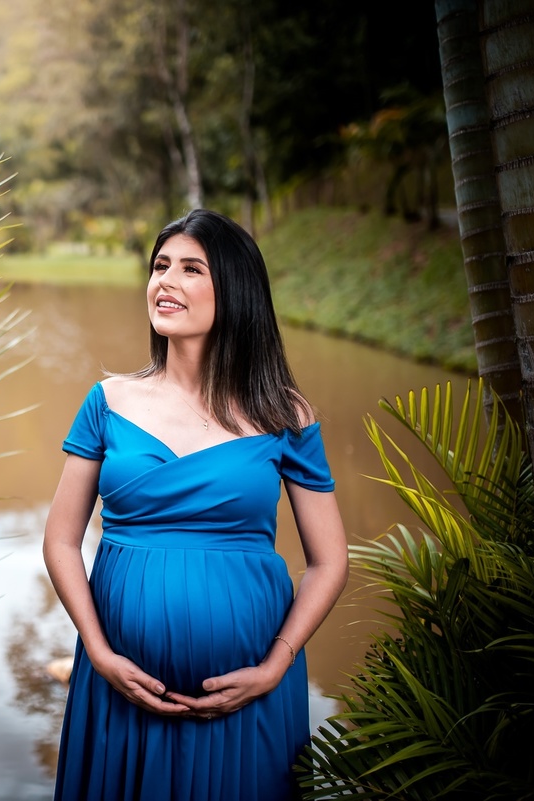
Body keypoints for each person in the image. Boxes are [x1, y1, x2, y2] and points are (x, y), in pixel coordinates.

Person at [42, 209, 350, 801]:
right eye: (160, 267)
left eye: (190, 269)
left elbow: (330, 561)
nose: (166, 282)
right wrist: (100, 655)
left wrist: (275, 667)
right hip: (119, 686)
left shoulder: (285, 414)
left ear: (234, 290)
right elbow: (60, 540)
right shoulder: (108, 401)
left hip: (250, 693)